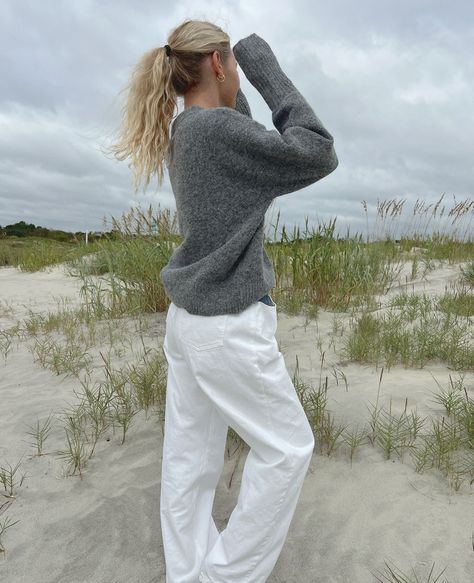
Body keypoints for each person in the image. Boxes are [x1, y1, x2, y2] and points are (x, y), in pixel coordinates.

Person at [110, 18, 338, 583]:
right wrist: (263, 66)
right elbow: (317, 151)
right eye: (231, 62)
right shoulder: (217, 133)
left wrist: (235, 83)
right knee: (287, 451)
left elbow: (249, 139)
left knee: (190, 458)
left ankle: (189, 572)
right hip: (228, 325)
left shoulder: (189, 132)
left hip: (189, 319)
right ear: (218, 63)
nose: (237, 71)